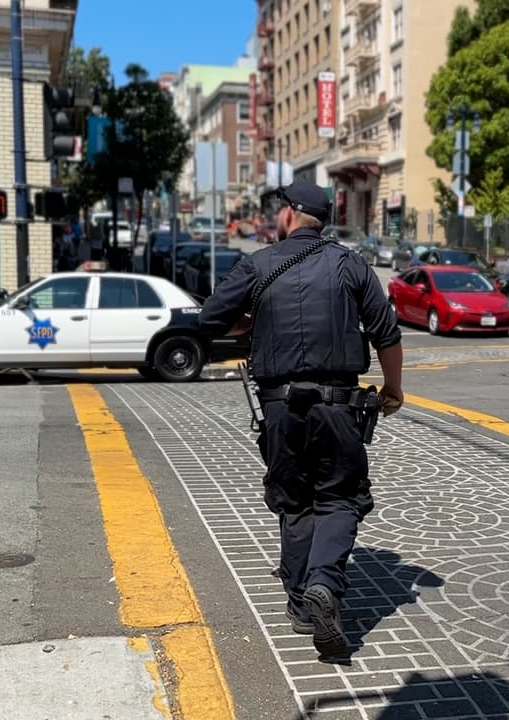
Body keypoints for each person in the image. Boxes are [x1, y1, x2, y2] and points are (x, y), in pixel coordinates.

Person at [198, 177, 404, 663]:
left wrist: (252, 321)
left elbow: (209, 319)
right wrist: (394, 389)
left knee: (294, 500)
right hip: (339, 407)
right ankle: (324, 584)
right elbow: (386, 333)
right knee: (340, 496)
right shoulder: (352, 265)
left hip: (279, 409)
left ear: (289, 214)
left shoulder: (258, 264)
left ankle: (300, 604)